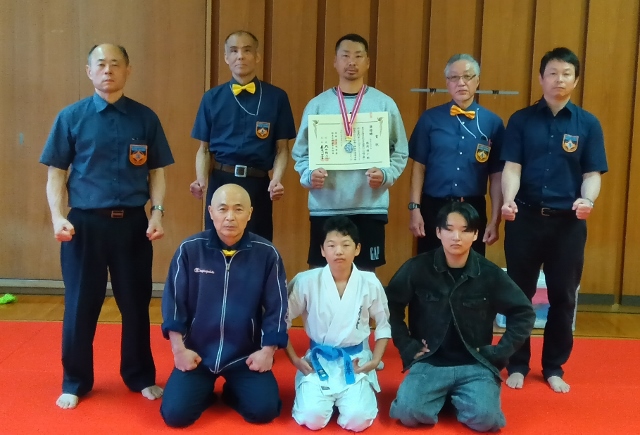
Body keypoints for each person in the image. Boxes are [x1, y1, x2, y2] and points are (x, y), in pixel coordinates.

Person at [40, 44, 173, 409]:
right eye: (101, 64)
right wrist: (57, 216)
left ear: (128, 70)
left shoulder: (145, 118)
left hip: (132, 225)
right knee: (80, 305)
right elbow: (56, 173)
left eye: (116, 64)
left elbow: (156, 172)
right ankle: (75, 380)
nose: (108, 70)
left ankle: (140, 375)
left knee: (136, 303)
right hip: (84, 226)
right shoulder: (71, 117)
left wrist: (157, 213)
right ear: (89, 71)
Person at [501, 47, 607, 394]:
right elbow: (512, 167)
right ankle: (517, 363)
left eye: (566, 74)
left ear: (575, 80)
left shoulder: (588, 124)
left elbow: (592, 173)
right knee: (519, 295)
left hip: (568, 224)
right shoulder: (521, 120)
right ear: (541, 78)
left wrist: (588, 199)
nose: (559, 80)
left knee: (563, 296)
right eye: (552, 73)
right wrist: (508, 199)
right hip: (525, 219)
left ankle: (553, 367)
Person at [386, 202, 535, 432]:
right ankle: (449, 398)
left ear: (475, 234)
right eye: (449, 229)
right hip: (430, 360)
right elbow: (389, 306)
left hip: (474, 363)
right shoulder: (417, 268)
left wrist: (498, 353)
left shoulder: (489, 273)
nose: (456, 237)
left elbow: (523, 312)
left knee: (487, 420)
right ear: (438, 232)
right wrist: (407, 346)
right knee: (407, 413)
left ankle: (452, 397)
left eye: (465, 230)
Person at [160, 184, 288, 427]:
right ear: (211, 212)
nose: (230, 217)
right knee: (176, 416)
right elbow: (173, 303)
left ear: (249, 213)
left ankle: (231, 393)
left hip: (245, 355)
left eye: (238, 209)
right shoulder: (190, 250)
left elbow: (277, 307)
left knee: (265, 410)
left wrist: (267, 352)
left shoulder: (267, 254)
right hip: (197, 354)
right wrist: (179, 350)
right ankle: (205, 393)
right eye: (223, 209)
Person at [292, 33, 408, 272]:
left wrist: (386, 175)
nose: (351, 62)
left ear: (368, 62)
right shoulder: (317, 105)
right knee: (322, 276)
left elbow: (400, 151)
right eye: (345, 56)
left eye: (358, 56)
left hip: (369, 206)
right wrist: (309, 175)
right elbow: (300, 153)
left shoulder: (384, 104)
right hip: (326, 206)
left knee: (365, 276)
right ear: (335, 62)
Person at [285, 216, 391, 432]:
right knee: (312, 418)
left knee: (357, 420)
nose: (338, 251)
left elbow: (383, 325)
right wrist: (295, 359)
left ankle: (345, 401)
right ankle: (326, 401)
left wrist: (375, 361)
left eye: (346, 245)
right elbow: (281, 322)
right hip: (319, 360)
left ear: (357, 249)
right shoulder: (306, 281)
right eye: (331, 245)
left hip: (355, 360)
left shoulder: (370, 282)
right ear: (322, 250)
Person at [190, 30, 296, 241]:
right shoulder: (212, 98)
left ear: (257, 56)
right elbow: (204, 150)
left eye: (247, 50)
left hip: (258, 184)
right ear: (226, 57)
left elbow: (282, 149)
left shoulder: (276, 97)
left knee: (258, 245)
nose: (240, 56)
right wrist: (201, 180)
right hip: (221, 181)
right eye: (234, 51)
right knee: (218, 245)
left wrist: (276, 180)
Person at [408, 54, 505, 256]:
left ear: (477, 81)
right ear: (447, 83)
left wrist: (495, 220)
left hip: (472, 207)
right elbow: (418, 167)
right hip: (433, 207)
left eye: (467, 76)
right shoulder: (430, 119)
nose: (461, 83)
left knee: (470, 267)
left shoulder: (492, 123)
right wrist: (414, 209)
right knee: (430, 265)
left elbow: (496, 176)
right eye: (454, 77)